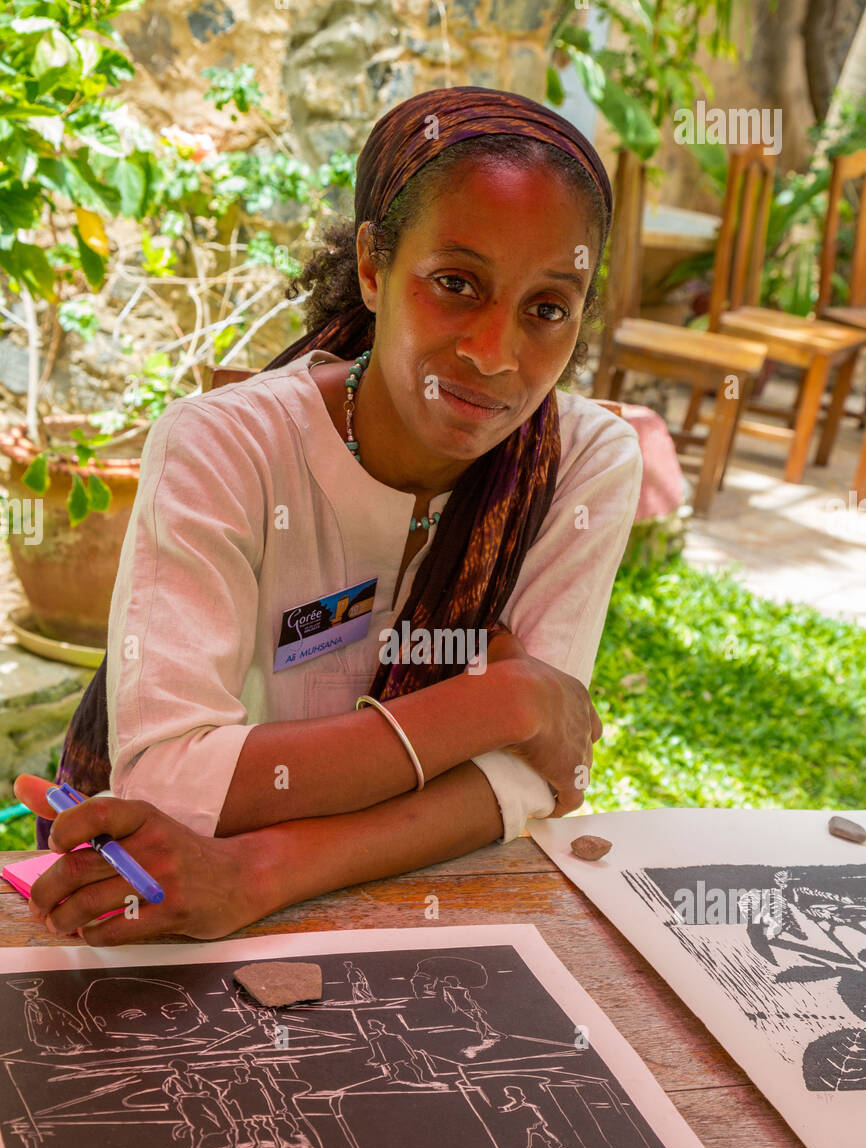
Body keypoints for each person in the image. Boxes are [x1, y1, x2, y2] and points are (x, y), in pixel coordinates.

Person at [18, 86, 641, 945]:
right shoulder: (224, 448)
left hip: (423, 919)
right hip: (166, 915)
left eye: (547, 308)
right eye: (456, 283)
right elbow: (168, 783)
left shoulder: (582, 464)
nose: (497, 355)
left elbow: (529, 784)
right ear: (375, 268)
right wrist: (511, 700)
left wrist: (262, 870)